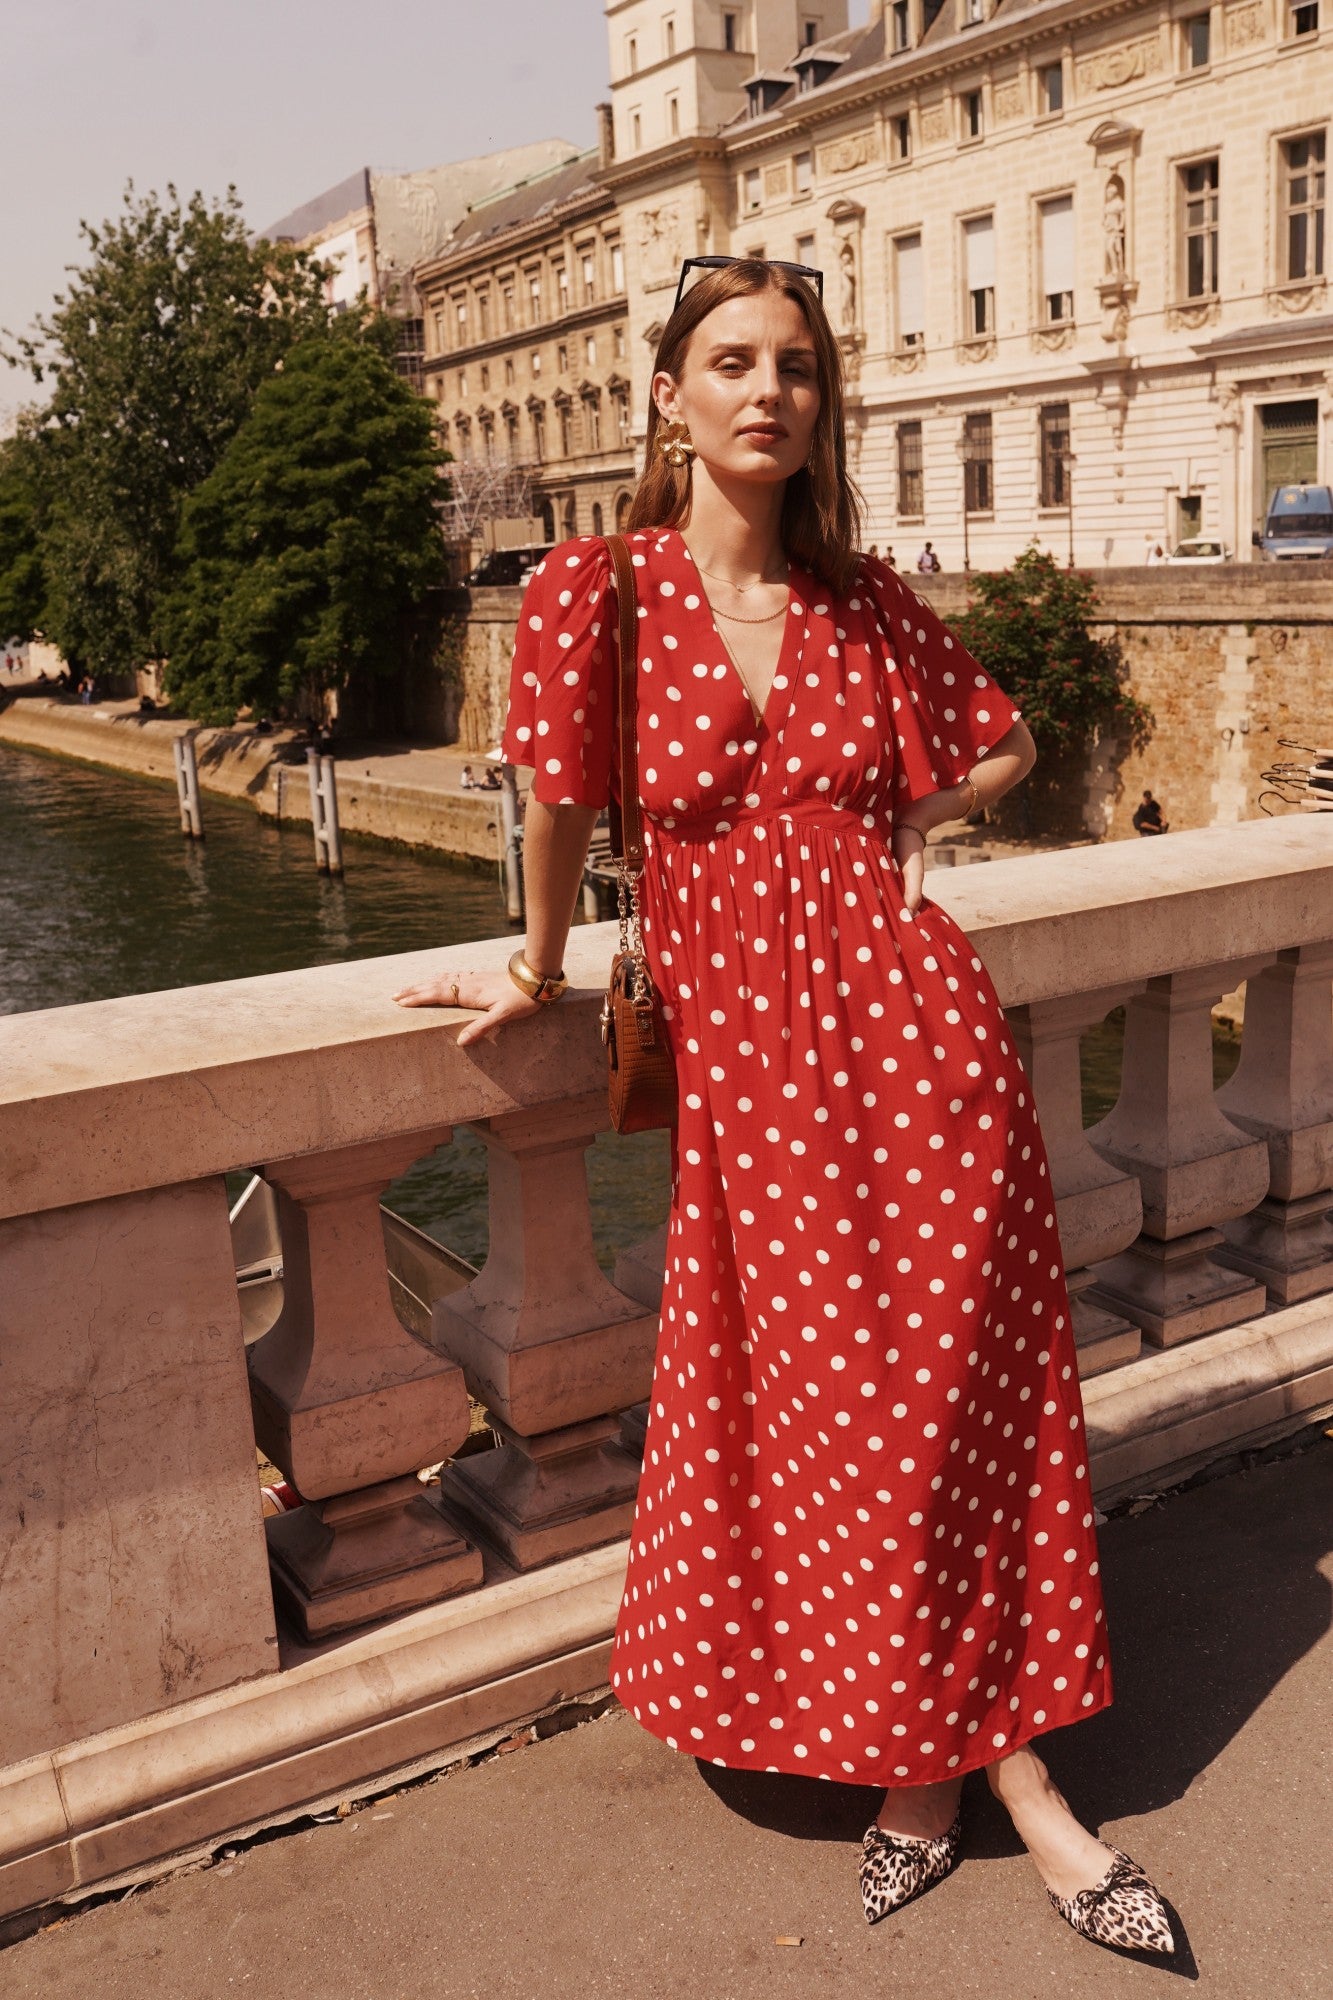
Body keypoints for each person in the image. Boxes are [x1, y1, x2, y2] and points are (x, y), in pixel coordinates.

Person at [393, 258, 1174, 1956]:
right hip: (758, 1090)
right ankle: (947, 1772)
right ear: (664, 395)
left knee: (965, 1413)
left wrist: (916, 832)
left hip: (923, 1049)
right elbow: (553, 807)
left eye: (799, 369)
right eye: (731, 363)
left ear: (823, 406)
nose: (769, 393)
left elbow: (1007, 736)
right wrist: (529, 969)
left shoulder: (863, 601)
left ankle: (988, 1773)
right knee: (838, 1429)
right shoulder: (591, 596)